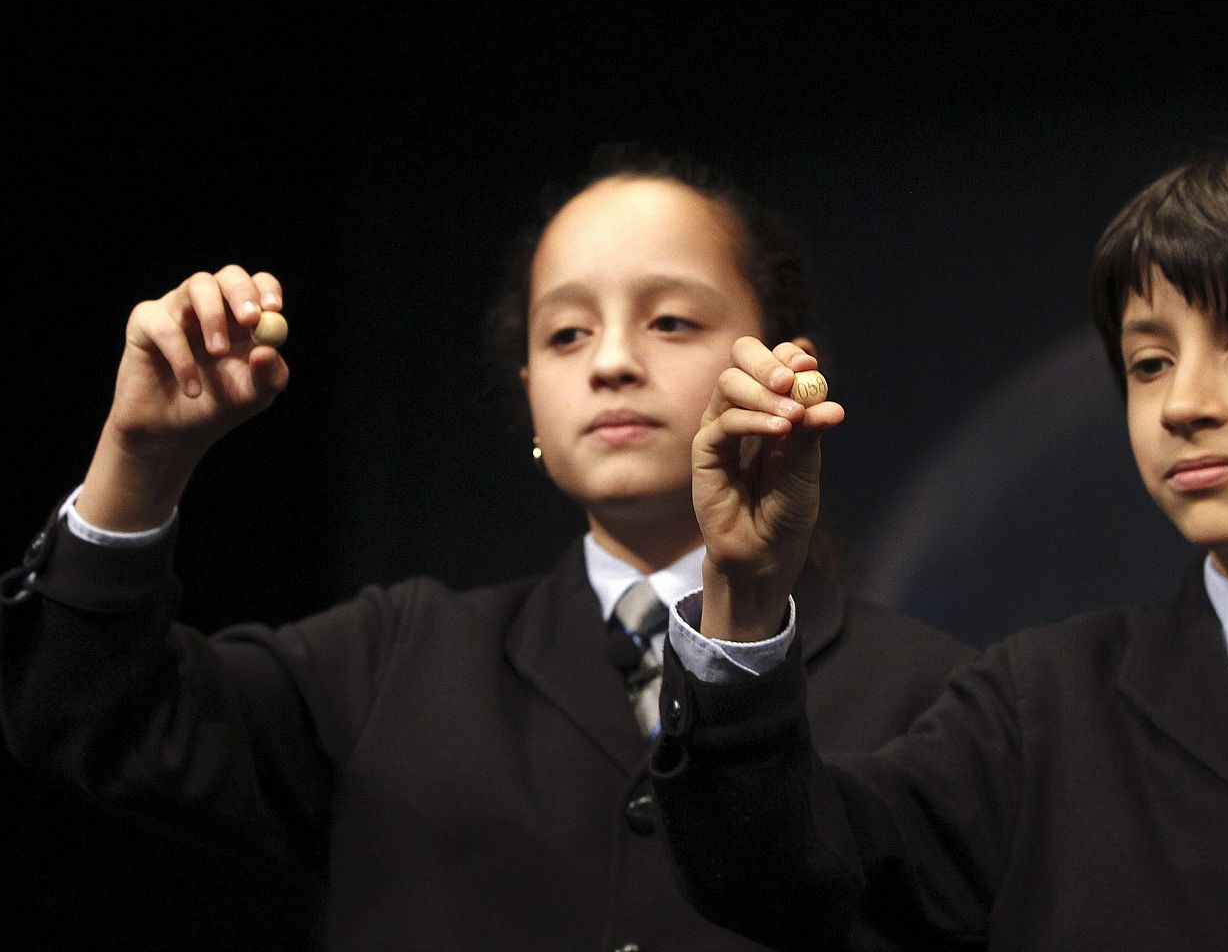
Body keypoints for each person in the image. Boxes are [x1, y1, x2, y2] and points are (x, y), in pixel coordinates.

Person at [0, 147, 974, 950]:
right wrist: (140, 454)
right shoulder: (391, 661)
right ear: (530, 397)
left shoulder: (933, 695)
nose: (610, 360)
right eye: (565, 333)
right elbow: (90, 711)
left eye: (671, 319)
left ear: (784, 357)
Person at [652, 144, 1228, 950]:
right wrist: (742, 588)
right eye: (1149, 362)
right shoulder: (1038, 704)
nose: (1183, 404)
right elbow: (776, 875)